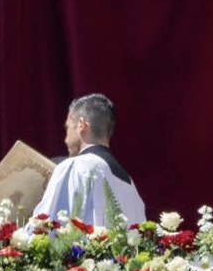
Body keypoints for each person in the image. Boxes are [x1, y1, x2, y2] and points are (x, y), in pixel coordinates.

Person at [32, 93, 146, 226]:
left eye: (67, 127)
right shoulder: (130, 185)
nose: (65, 139)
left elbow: (45, 226)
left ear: (81, 125)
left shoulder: (75, 166)